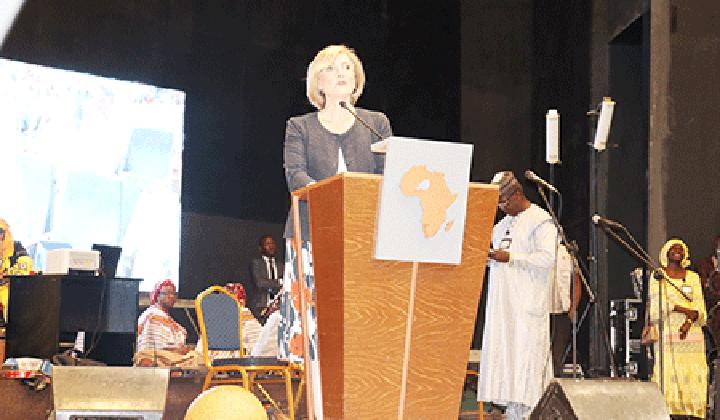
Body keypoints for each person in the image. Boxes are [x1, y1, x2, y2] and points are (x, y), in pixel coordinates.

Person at [279, 44, 392, 414]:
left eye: (347, 67)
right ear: (319, 82)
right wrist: (334, 201)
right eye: (331, 68)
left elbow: (387, 178)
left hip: (363, 240)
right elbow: (297, 177)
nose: (341, 73)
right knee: (316, 336)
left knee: (359, 333)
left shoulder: (376, 124)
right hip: (312, 237)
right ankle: (318, 409)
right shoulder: (300, 126)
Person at [477, 171, 557, 419]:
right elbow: (497, 260)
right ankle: (512, 411)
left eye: (503, 202)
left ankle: (532, 412)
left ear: (516, 195)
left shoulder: (541, 221)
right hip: (504, 307)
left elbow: (547, 259)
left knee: (527, 359)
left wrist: (511, 257)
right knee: (506, 358)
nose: (501, 208)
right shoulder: (500, 227)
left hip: (527, 306)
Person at [647, 239, 707, 419]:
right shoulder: (658, 275)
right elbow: (658, 304)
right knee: (669, 371)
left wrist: (688, 321)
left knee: (693, 371)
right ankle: (669, 409)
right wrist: (683, 309)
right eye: (673, 248)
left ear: (685, 254)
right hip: (668, 331)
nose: (677, 251)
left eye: (681, 249)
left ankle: (692, 411)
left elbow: (700, 308)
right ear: (665, 253)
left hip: (692, 333)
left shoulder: (693, 277)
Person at [134, 279, 198, 367]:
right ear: (157, 296)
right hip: (155, 358)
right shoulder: (152, 315)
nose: (171, 296)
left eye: (174, 294)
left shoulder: (165, 316)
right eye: (167, 293)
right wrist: (182, 351)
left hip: (167, 357)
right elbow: (157, 349)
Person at [246, 235, 283, 323]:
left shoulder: (281, 265)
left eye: (272, 243)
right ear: (260, 248)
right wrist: (280, 282)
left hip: (279, 309)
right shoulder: (256, 264)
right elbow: (260, 283)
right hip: (261, 308)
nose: (271, 246)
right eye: (267, 244)